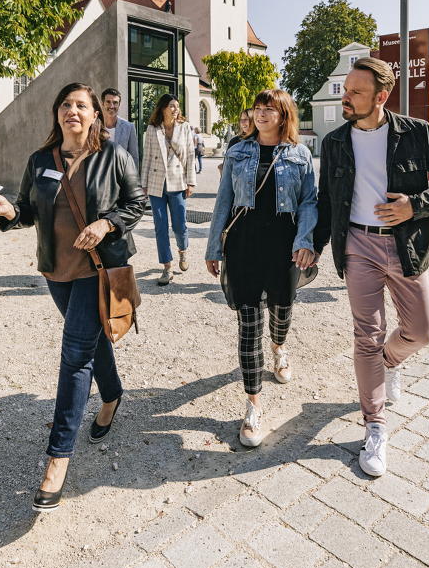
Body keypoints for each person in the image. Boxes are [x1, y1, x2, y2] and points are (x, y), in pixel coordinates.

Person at [0, 82, 145, 512]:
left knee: (74, 354)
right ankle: (112, 395)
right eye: (66, 105)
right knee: (90, 340)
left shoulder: (113, 155)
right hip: (58, 273)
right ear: (57, 114)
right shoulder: (40, 161)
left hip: (98, 270)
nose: (73, 110)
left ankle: (57, 459)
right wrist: (7, 212)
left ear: (94, 116)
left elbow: (136, 202)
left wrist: (106, 224)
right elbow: (27, 210)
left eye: (82, 106)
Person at [313, 56, 429, 477]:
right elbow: (327, 202)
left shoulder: (417, 134)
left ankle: (390, 362)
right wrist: (312, 245)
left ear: (381, 97)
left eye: (355, 92)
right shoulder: (334, 142)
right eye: (344, 88)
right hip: (357, 246)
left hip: (406, 245)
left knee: (421, 332)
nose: (344, 97)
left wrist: (414, 206)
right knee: (367, 336)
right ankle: (375, 425)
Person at [206, 89, 317, 447]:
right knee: (249, 323)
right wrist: (213, 247)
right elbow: (224, 200)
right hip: (244, 244)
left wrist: (305, 240)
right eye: (258, 108)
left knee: (282, 309)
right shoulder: (237, 151)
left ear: (284, 114)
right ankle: (253, 405)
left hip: (284, 246)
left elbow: (309, 203)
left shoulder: (300, 154)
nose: (262, 113)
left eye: (270, 108)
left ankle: (280, 348)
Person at [140, 94, 196, 285]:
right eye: (171, 106)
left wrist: (191, 182)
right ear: (163, 108)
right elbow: (146, 157)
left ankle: (182, 250)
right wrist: (144, 184)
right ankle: (167, 267)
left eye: (177, 106)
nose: (175, 109)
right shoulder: (152, 128)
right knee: (160, 226)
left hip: (178, 181)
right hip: (156, 183)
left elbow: (190, 154)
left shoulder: (185, 127)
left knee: (179, 225)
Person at [100, 87, 139, 170]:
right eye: (108, 102)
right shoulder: (94, 126)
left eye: (115, 102)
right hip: (98, 175)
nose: (112, 106)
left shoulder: (129, 127)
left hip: (120, 176)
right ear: (102, 104)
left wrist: (134, 179)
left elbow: (134, 157)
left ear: (119, 105)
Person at [218, 109, 253, 175]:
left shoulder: (262, 141)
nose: (242, 122)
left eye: (246, 119)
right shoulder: (235, 142)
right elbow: (226, 169)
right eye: (241, 120)